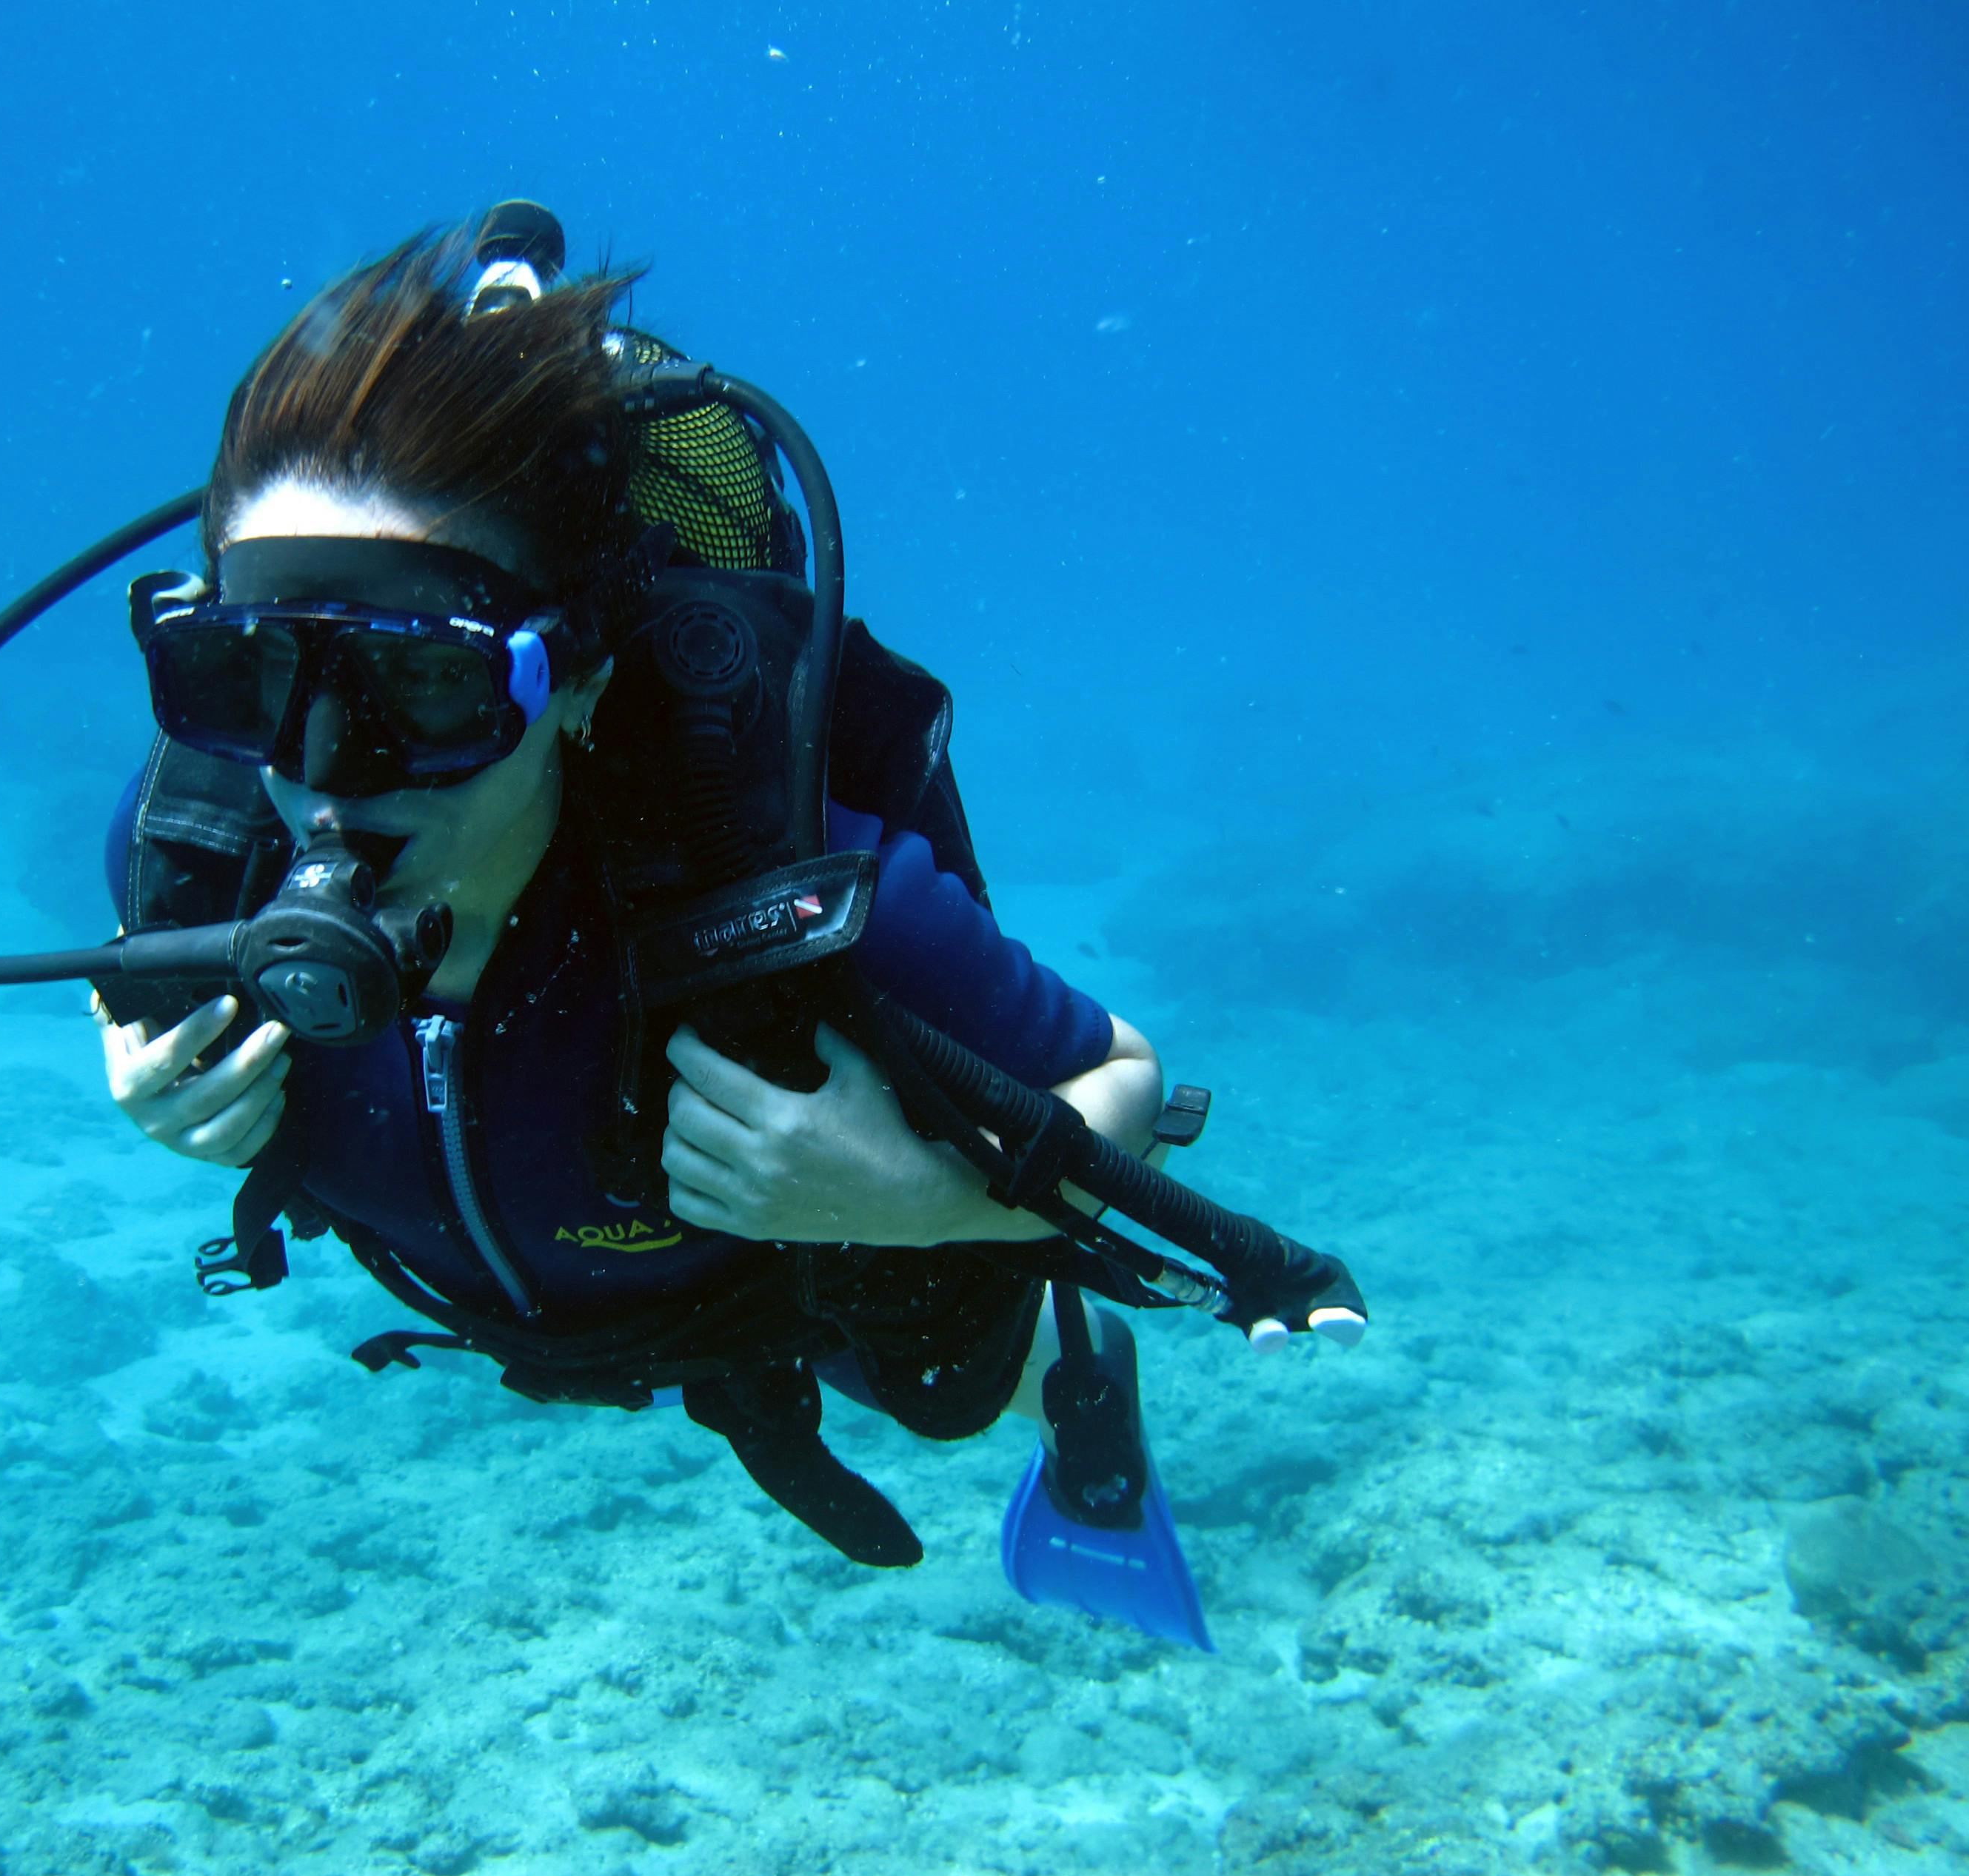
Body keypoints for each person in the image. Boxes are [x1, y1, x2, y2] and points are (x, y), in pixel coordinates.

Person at [90, 215, 1240, 1636]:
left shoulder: (780, 892)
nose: (325, 765)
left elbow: (1118, 1074)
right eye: (248, 676)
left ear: (572, 681)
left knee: (954, 1383)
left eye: (427, 692)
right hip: (509, 1295)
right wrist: (160, 1087)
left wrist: (914, 1200)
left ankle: (1082, 1392)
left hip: (787, 1271)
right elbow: (159, 984)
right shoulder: (195, 865)